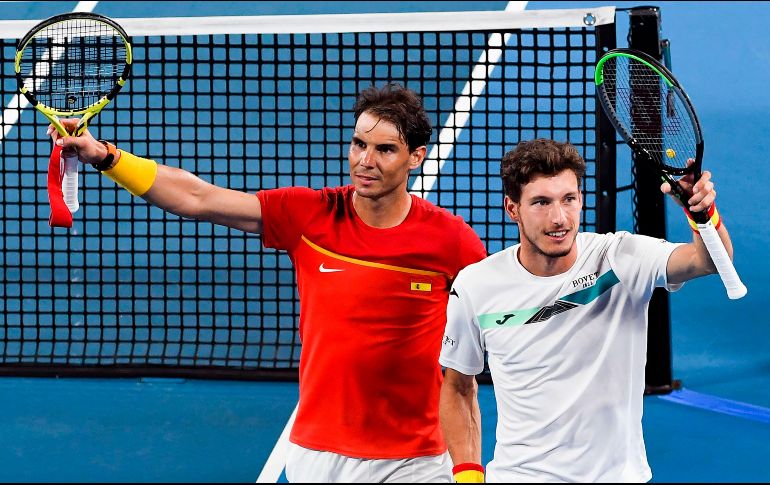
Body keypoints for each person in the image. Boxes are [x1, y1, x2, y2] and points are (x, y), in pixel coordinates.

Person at [51, 82, 487, 483]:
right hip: (319, 454)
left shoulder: (451, 242)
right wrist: (106, 156)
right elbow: (198, 198)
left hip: (417, 459)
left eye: (385, 150)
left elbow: (482, 346)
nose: (365, 161)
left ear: (416, 157)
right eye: (358, 144)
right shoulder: (309, 215)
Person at [438, 138, 736, 483]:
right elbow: (458, 386)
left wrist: (702, 215)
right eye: (541, 202)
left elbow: (710, 261)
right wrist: (468, 475)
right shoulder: (476, 285)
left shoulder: (620, 259)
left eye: (569, 199)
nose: (559, 218)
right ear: (512, 208)